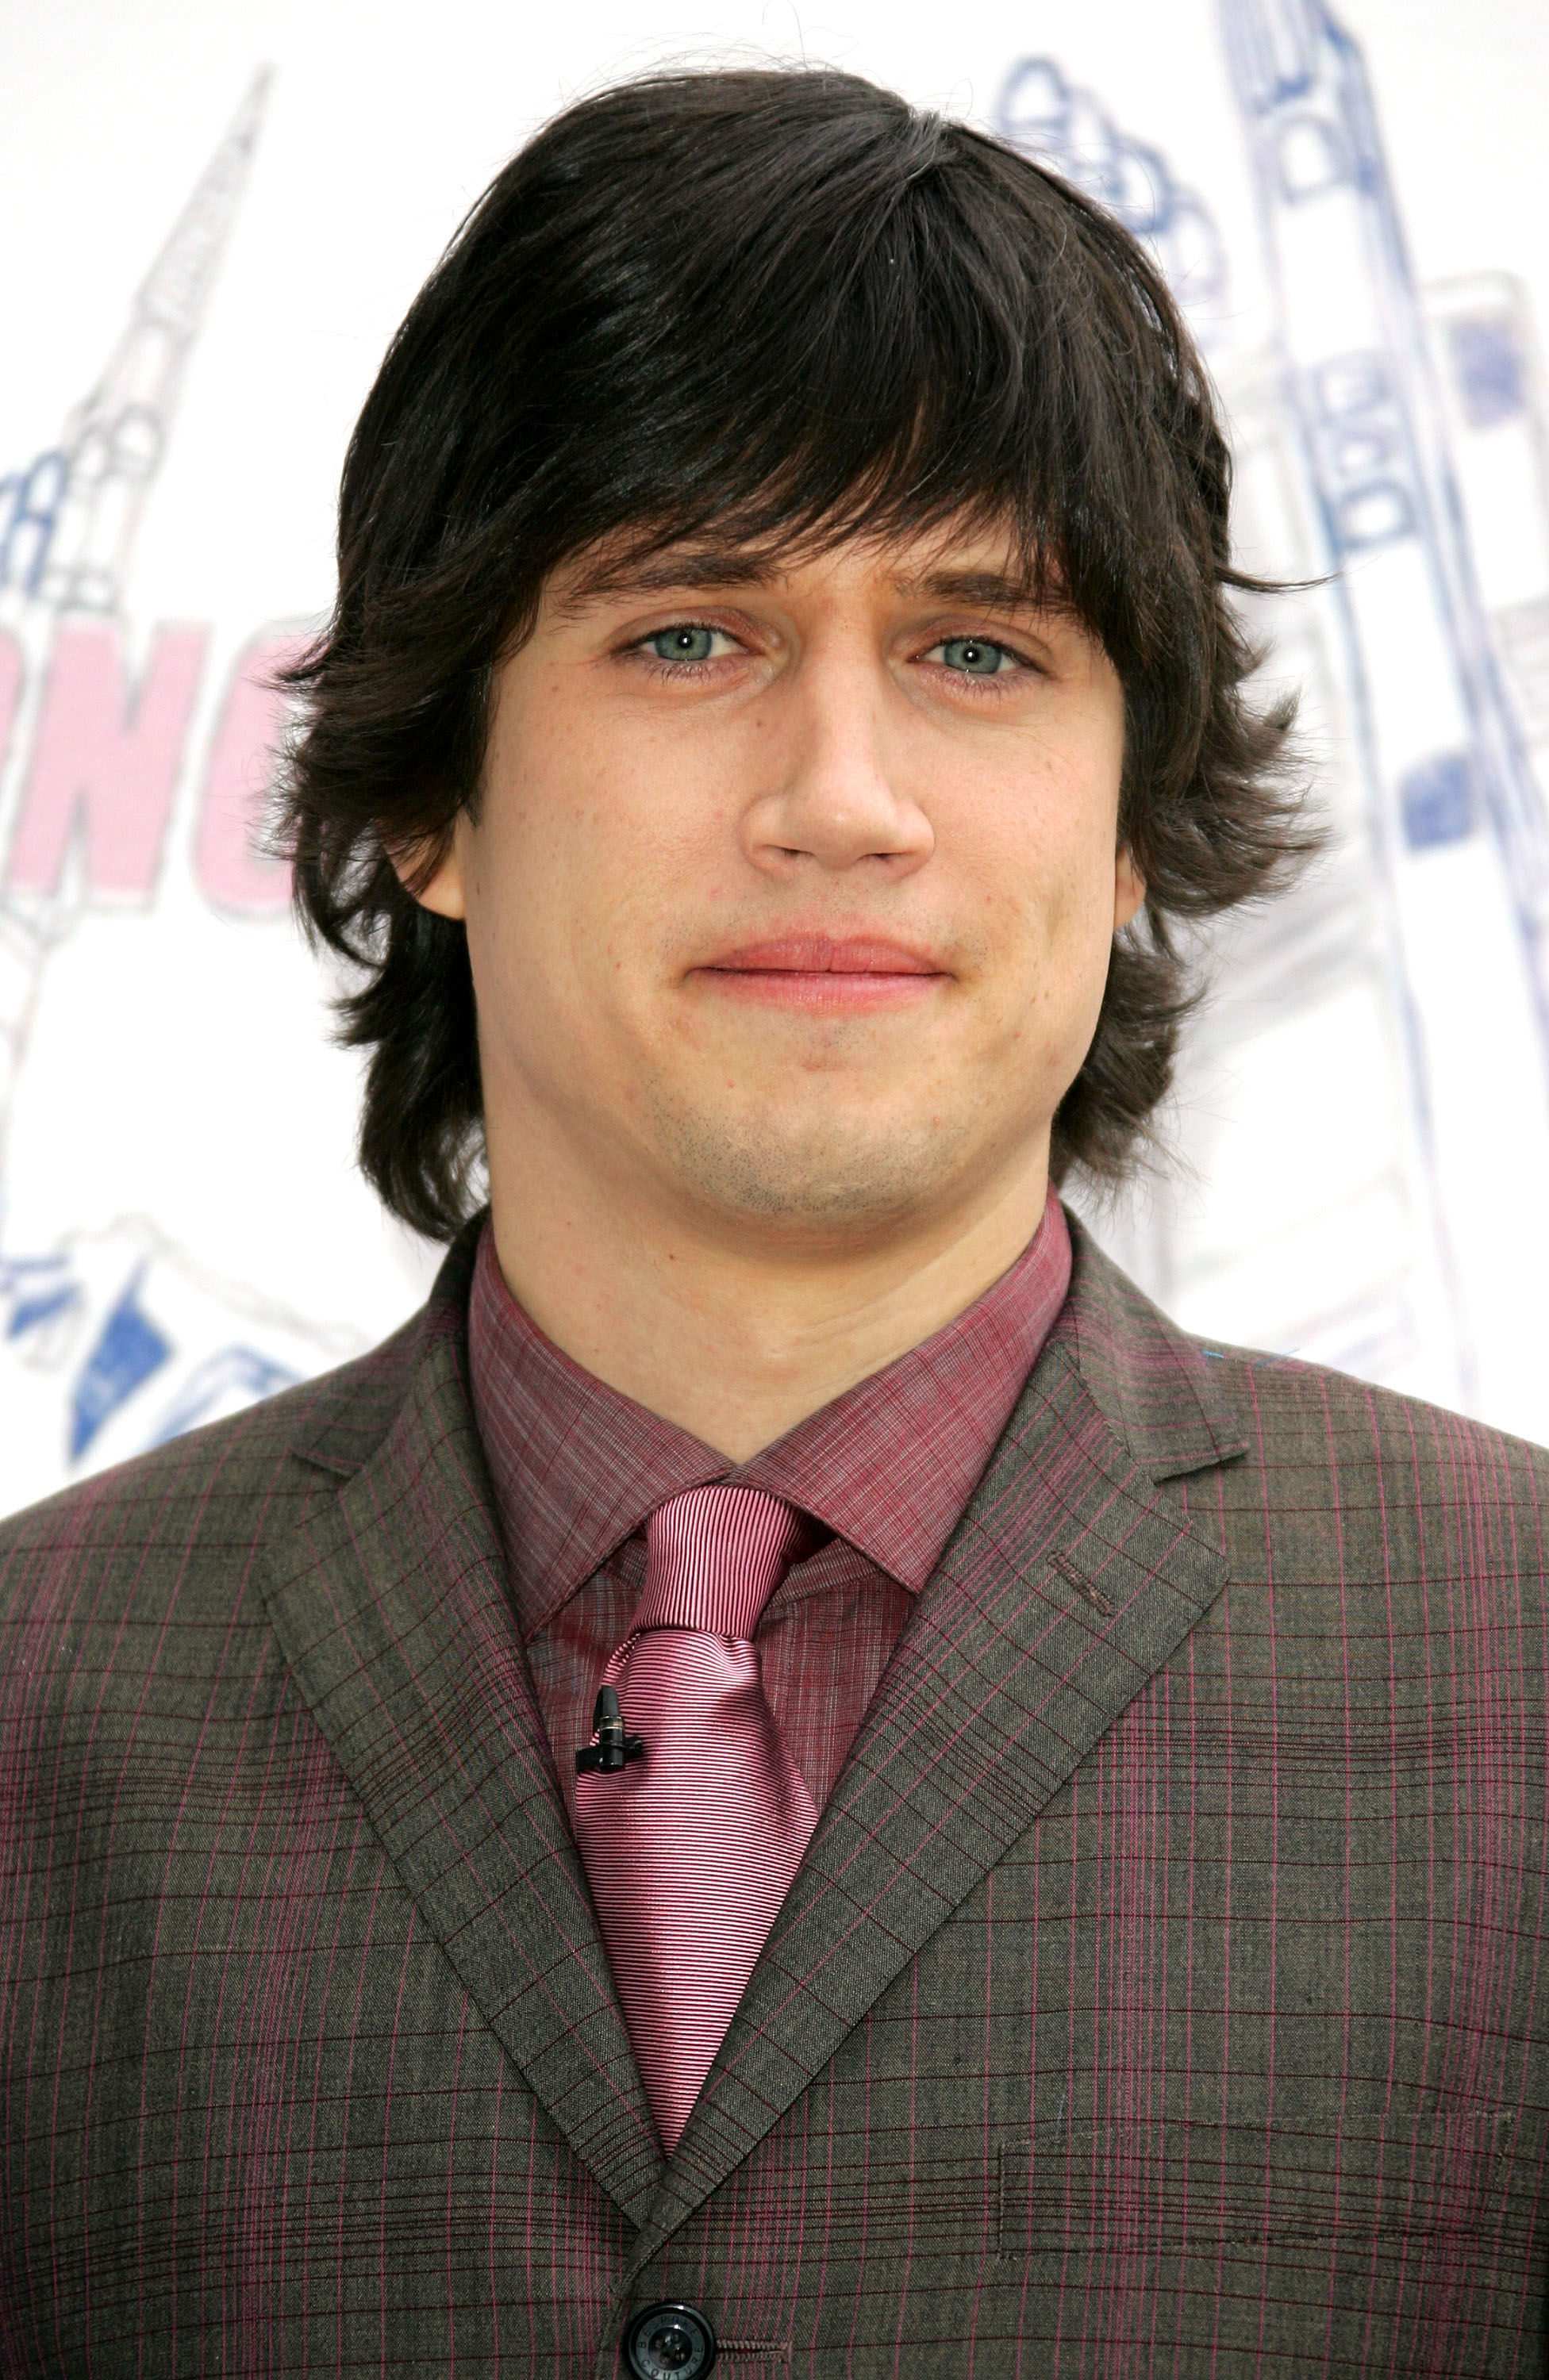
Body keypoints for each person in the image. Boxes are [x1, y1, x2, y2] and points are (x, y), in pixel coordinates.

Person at [2, 64, 1544, 2380]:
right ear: (427, 792)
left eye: (979, 650)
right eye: (690, 637)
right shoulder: (35, 1713)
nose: (843, 798)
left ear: (1132, 826)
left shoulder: (1517, 1676)